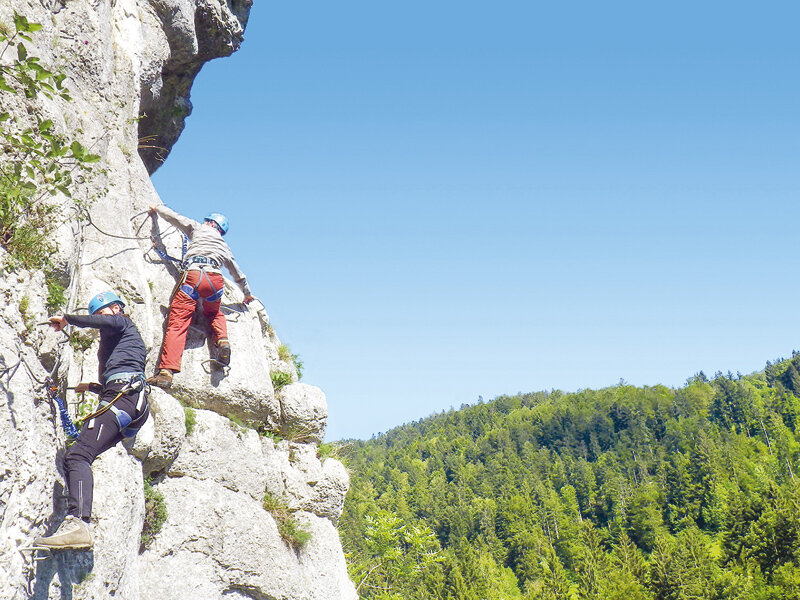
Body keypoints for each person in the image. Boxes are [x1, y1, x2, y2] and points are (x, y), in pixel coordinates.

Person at [35, 291, 149, 550]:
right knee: (81, 454)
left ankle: (78, 524)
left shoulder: (122, 322)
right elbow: (125, 369)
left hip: (124, 396)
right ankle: (78, 522)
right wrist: (93, 387)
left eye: (102, 312)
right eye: (96, 315)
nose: (99, 319)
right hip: (130, 400)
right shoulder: (120, 339)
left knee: (78, 455)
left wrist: (68, 319)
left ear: (117, 308)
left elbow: (106, 323)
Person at [147, 204, 254, 388]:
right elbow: (237, 273)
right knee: (215, 312)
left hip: (194, 275)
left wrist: (157, 208)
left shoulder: (197, 228)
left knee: (178, 321)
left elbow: (175, 217)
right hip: (214, 280)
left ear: (210, 223)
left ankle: (166, 372)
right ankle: (222, 340)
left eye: (207, 221)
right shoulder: (224, 246)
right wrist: (247, 294)